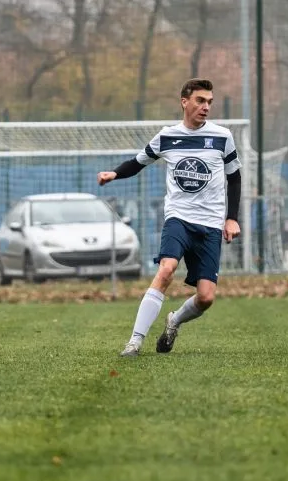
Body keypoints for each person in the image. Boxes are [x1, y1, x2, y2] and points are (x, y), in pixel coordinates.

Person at [98, 78, 241, 357]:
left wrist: (231, 218)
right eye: (200, 101)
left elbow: (234, 178)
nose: (206, 107)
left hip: (210, 224)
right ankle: (135, 342)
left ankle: (174, 321)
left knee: (206, 297)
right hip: (178, 218)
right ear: (184, 102)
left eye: (209, 102)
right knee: (166, 270)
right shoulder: (166, 136)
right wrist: (114, 173)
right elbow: (138, 162)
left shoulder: (222, 137)